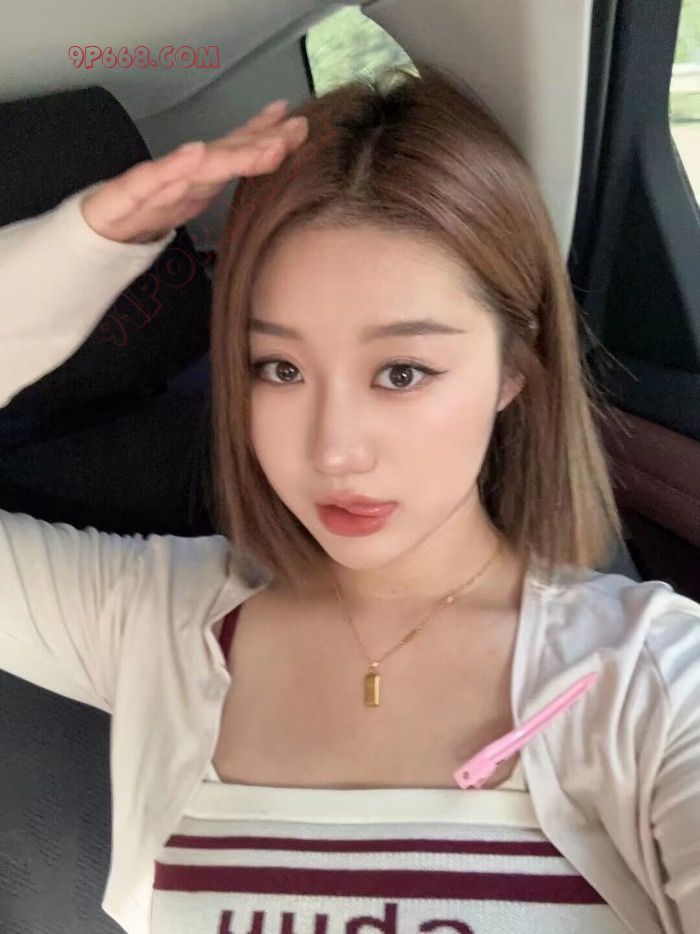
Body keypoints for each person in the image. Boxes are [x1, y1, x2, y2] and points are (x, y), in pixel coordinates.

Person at [0, 61, 698, 934]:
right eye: (279, 368)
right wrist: (82, 254)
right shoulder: (154, 622)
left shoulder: (654, 678)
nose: (334, 449)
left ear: (513, 369)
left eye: (401, 372)